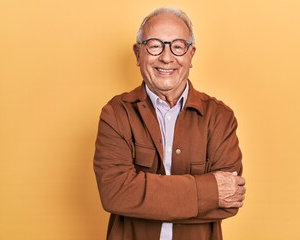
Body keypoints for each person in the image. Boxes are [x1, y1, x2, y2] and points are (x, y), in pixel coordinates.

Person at [94, 7, 246, 240]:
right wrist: (208, 192)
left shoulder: (220, 117)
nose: (166, 57)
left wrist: (143, 196)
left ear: (191, 55)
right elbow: (115, 193)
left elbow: (229, 202)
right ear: (138, 54)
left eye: (178, 46)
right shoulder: (116, 113)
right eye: (155, 45)